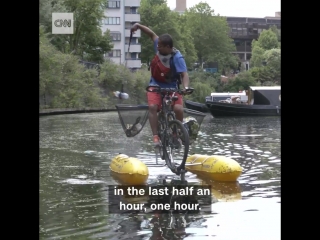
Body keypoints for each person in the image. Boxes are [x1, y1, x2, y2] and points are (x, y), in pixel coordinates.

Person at [130, 23, 191, 146]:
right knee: (152, 107)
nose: (157, 47)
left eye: (160, 46)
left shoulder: (177, 57)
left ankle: (176, 132)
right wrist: (138, 26)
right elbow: (151, 34)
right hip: (155, 84)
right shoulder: (159, 45)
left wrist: (186, 88)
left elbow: (184, 74)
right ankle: (156, 136)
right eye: (157, 45)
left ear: (168, 47)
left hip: (172, 86)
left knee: (178, 109)